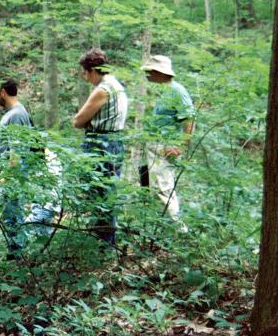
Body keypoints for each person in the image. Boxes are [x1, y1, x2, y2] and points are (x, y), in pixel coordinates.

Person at [72, 48, 129, 246]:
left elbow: (78, 121)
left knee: (99, 193)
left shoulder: (103, 90)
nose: (84, 76)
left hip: (101, 145)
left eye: (85, 72)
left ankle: (104, 243)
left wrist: (86, 122)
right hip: (115, 142)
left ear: (93, 70)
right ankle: (104, 241)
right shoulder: (118, 86)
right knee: (107, 192)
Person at [0, 78, 54, 259]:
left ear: (3, 92)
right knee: (11, 216)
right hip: (8, 176)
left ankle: (17, 257)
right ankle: (17, 254)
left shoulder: (16, 115)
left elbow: (17, 150)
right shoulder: (14, 113)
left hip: (11, 177)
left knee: (13, 217)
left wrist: (9, 176)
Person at [140, 55, 196, 231]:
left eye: (150, 70)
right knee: (152, 188)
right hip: (153, 145)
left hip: (165, 147)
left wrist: (181, 146)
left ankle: (179, 232)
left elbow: (189, 118)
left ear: (159, 72)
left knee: (163, 190)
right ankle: (159, 231)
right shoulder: (160, 91)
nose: (147, 74)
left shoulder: (177, 90)